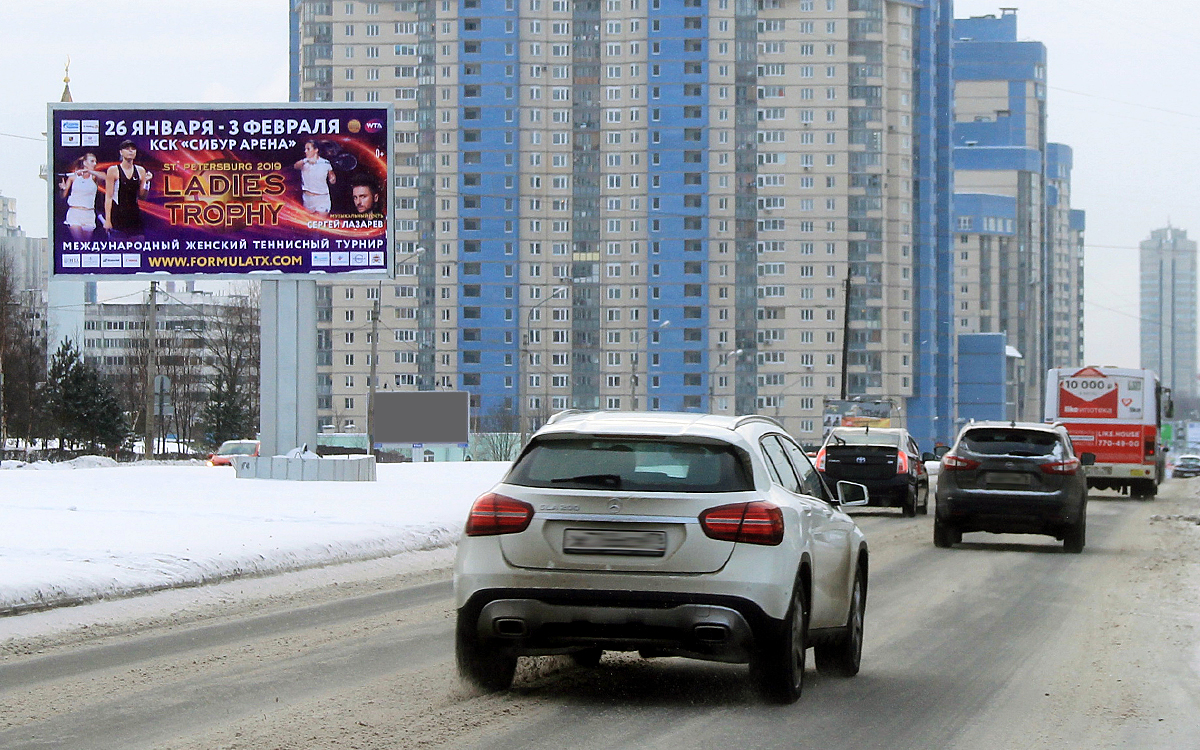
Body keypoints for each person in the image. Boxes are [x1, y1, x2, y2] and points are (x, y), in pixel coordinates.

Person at [104, 140, 152, 241]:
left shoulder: (140, 170)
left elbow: (142, 196)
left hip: (134, 216)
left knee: (137, 248)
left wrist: (147, 182)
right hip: (118, 215)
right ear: (121, 152)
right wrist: (107, 220)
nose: (130, 151)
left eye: (133, 149)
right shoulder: (113, 170)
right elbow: (108, 197)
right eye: (127, 149)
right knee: (118, 250)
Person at [60, 152, 105, 241]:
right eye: (92, 161)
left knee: (85, 245)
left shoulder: (94, 177)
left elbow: (105, 177)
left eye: (95, 161)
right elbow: (63, 195)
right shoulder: (73, 177)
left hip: (89, 215)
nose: (95, 164)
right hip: (75, 213)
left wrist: (88, 171)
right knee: (79, 242)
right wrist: (63, 188)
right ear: (85, 163)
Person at [294, 140, 335, 215]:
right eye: (305, 149)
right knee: (307, 225)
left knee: (319, 223)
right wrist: (306, 160)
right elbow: (296, 166)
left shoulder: (325, 163)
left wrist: (332, 179)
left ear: (316, 150)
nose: (305, 151)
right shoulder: (303, 163)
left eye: (308, 149)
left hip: (322, 198)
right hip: (307, 199)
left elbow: (332, 176)